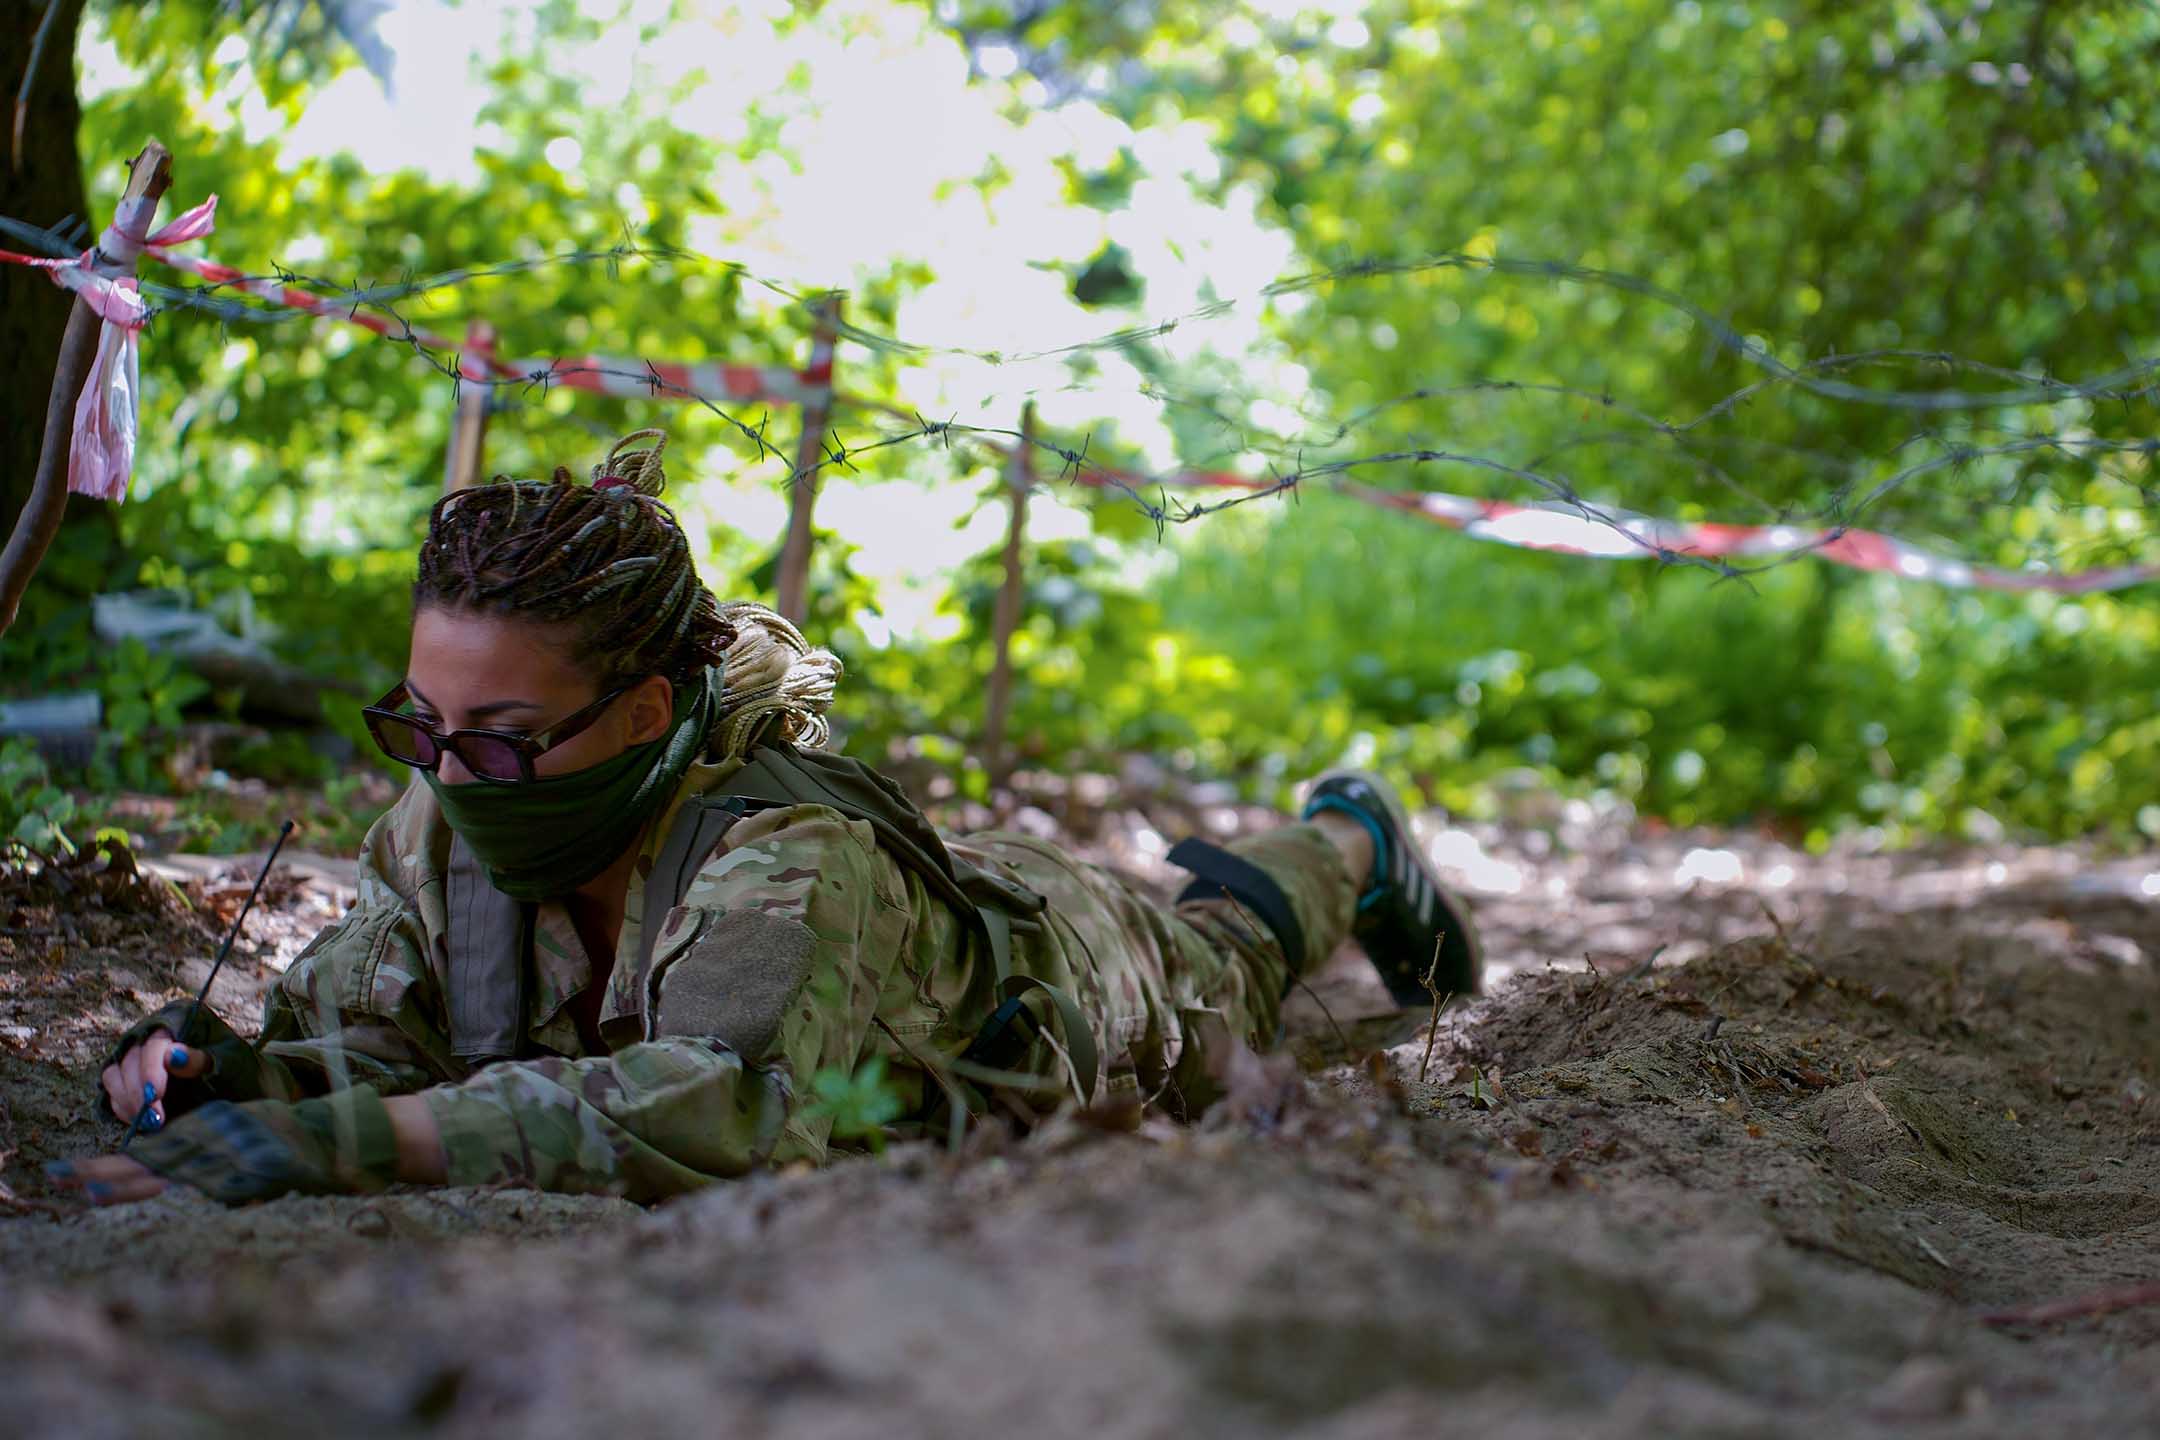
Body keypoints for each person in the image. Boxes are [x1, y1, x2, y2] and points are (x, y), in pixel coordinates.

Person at [50, 431, 1481, 1208]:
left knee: (1223, 953)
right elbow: (378, 1036)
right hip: (874, 945)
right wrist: (213, 1073)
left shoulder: (783, 854)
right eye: (423, 728)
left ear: (645, 714)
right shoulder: (449, 817)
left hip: (1049, 963)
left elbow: (721, 1107)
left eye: (501, 739)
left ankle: (1353, 832)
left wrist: (354, 1146)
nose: (450, 776)